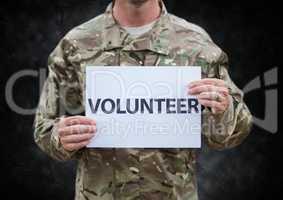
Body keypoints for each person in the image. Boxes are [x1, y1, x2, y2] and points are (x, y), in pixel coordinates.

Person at [34, 0, 253, 199]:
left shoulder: (196, 45)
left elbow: (232, 133)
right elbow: (44, 127)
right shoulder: (76, 44)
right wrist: (60, 138)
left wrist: (224, 110)